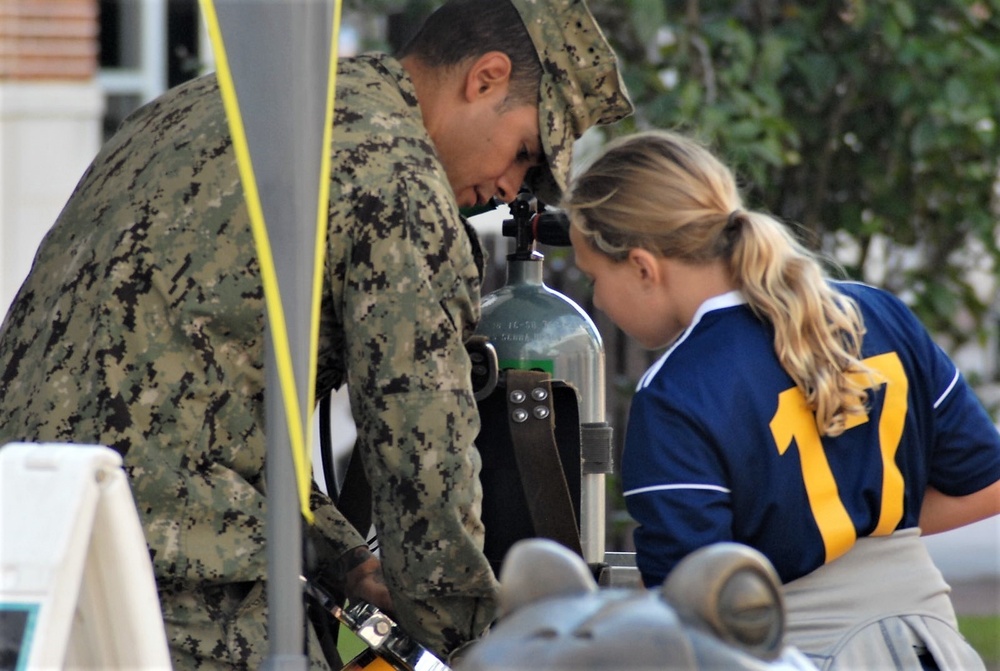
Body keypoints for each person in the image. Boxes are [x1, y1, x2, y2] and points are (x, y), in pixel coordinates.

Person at [0, 0, 632, 668]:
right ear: (485, 78)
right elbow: (422, 452)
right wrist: (481, 642)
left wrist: (342, 552)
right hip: (181, 590)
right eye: (525, 155)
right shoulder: (399, 178)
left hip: (31, 543)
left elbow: (194, 403)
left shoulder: (206, 105)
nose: (507, 191)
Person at [561, 129, 1000, 670]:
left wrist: (814, 535)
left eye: (594, 277)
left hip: (793, 651)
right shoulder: (880, 314)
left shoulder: (675, 393)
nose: (597, 298)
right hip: (932, 646)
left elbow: (692, 605)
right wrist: (853, 531)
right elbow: (988, 482)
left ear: (643, 266)